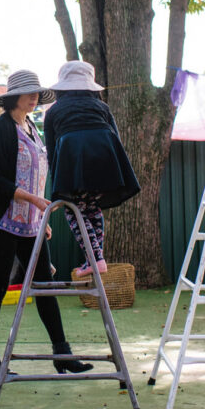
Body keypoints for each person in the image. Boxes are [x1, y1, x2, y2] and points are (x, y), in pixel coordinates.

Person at [0, 69, 92, 378]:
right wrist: (33, 201)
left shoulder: (31, 126)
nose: (34, 96)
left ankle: (62, 354)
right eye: (29, 92)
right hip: (0, 222)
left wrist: (38, 215)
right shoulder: (1, 130)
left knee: (44, 286)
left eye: (37, 91)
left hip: (30, 224)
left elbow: (36, 173)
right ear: (14, 97)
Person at [45, 61, 140, 278]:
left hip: (74, 160)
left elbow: (52, 152)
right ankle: (95, 259)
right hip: (106, 160)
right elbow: (116, 136)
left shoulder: (53, 111)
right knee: (92, 206)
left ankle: (95, 259)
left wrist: (59, 186)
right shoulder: (102, 107)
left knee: (72, 208)